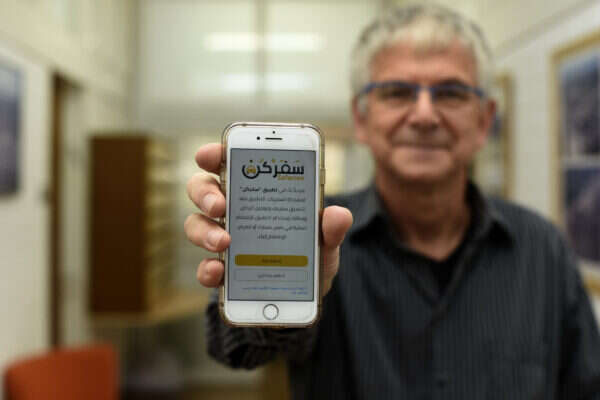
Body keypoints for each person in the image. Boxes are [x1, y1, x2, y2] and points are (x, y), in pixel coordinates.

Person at [184, 4, 600, 399]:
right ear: (361, 118)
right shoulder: (316, 235)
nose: (424, 115)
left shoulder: (542, 247)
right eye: (397, 92)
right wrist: (272, 287)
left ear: (484, 120)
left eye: (451, 93)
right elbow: (236, 349)